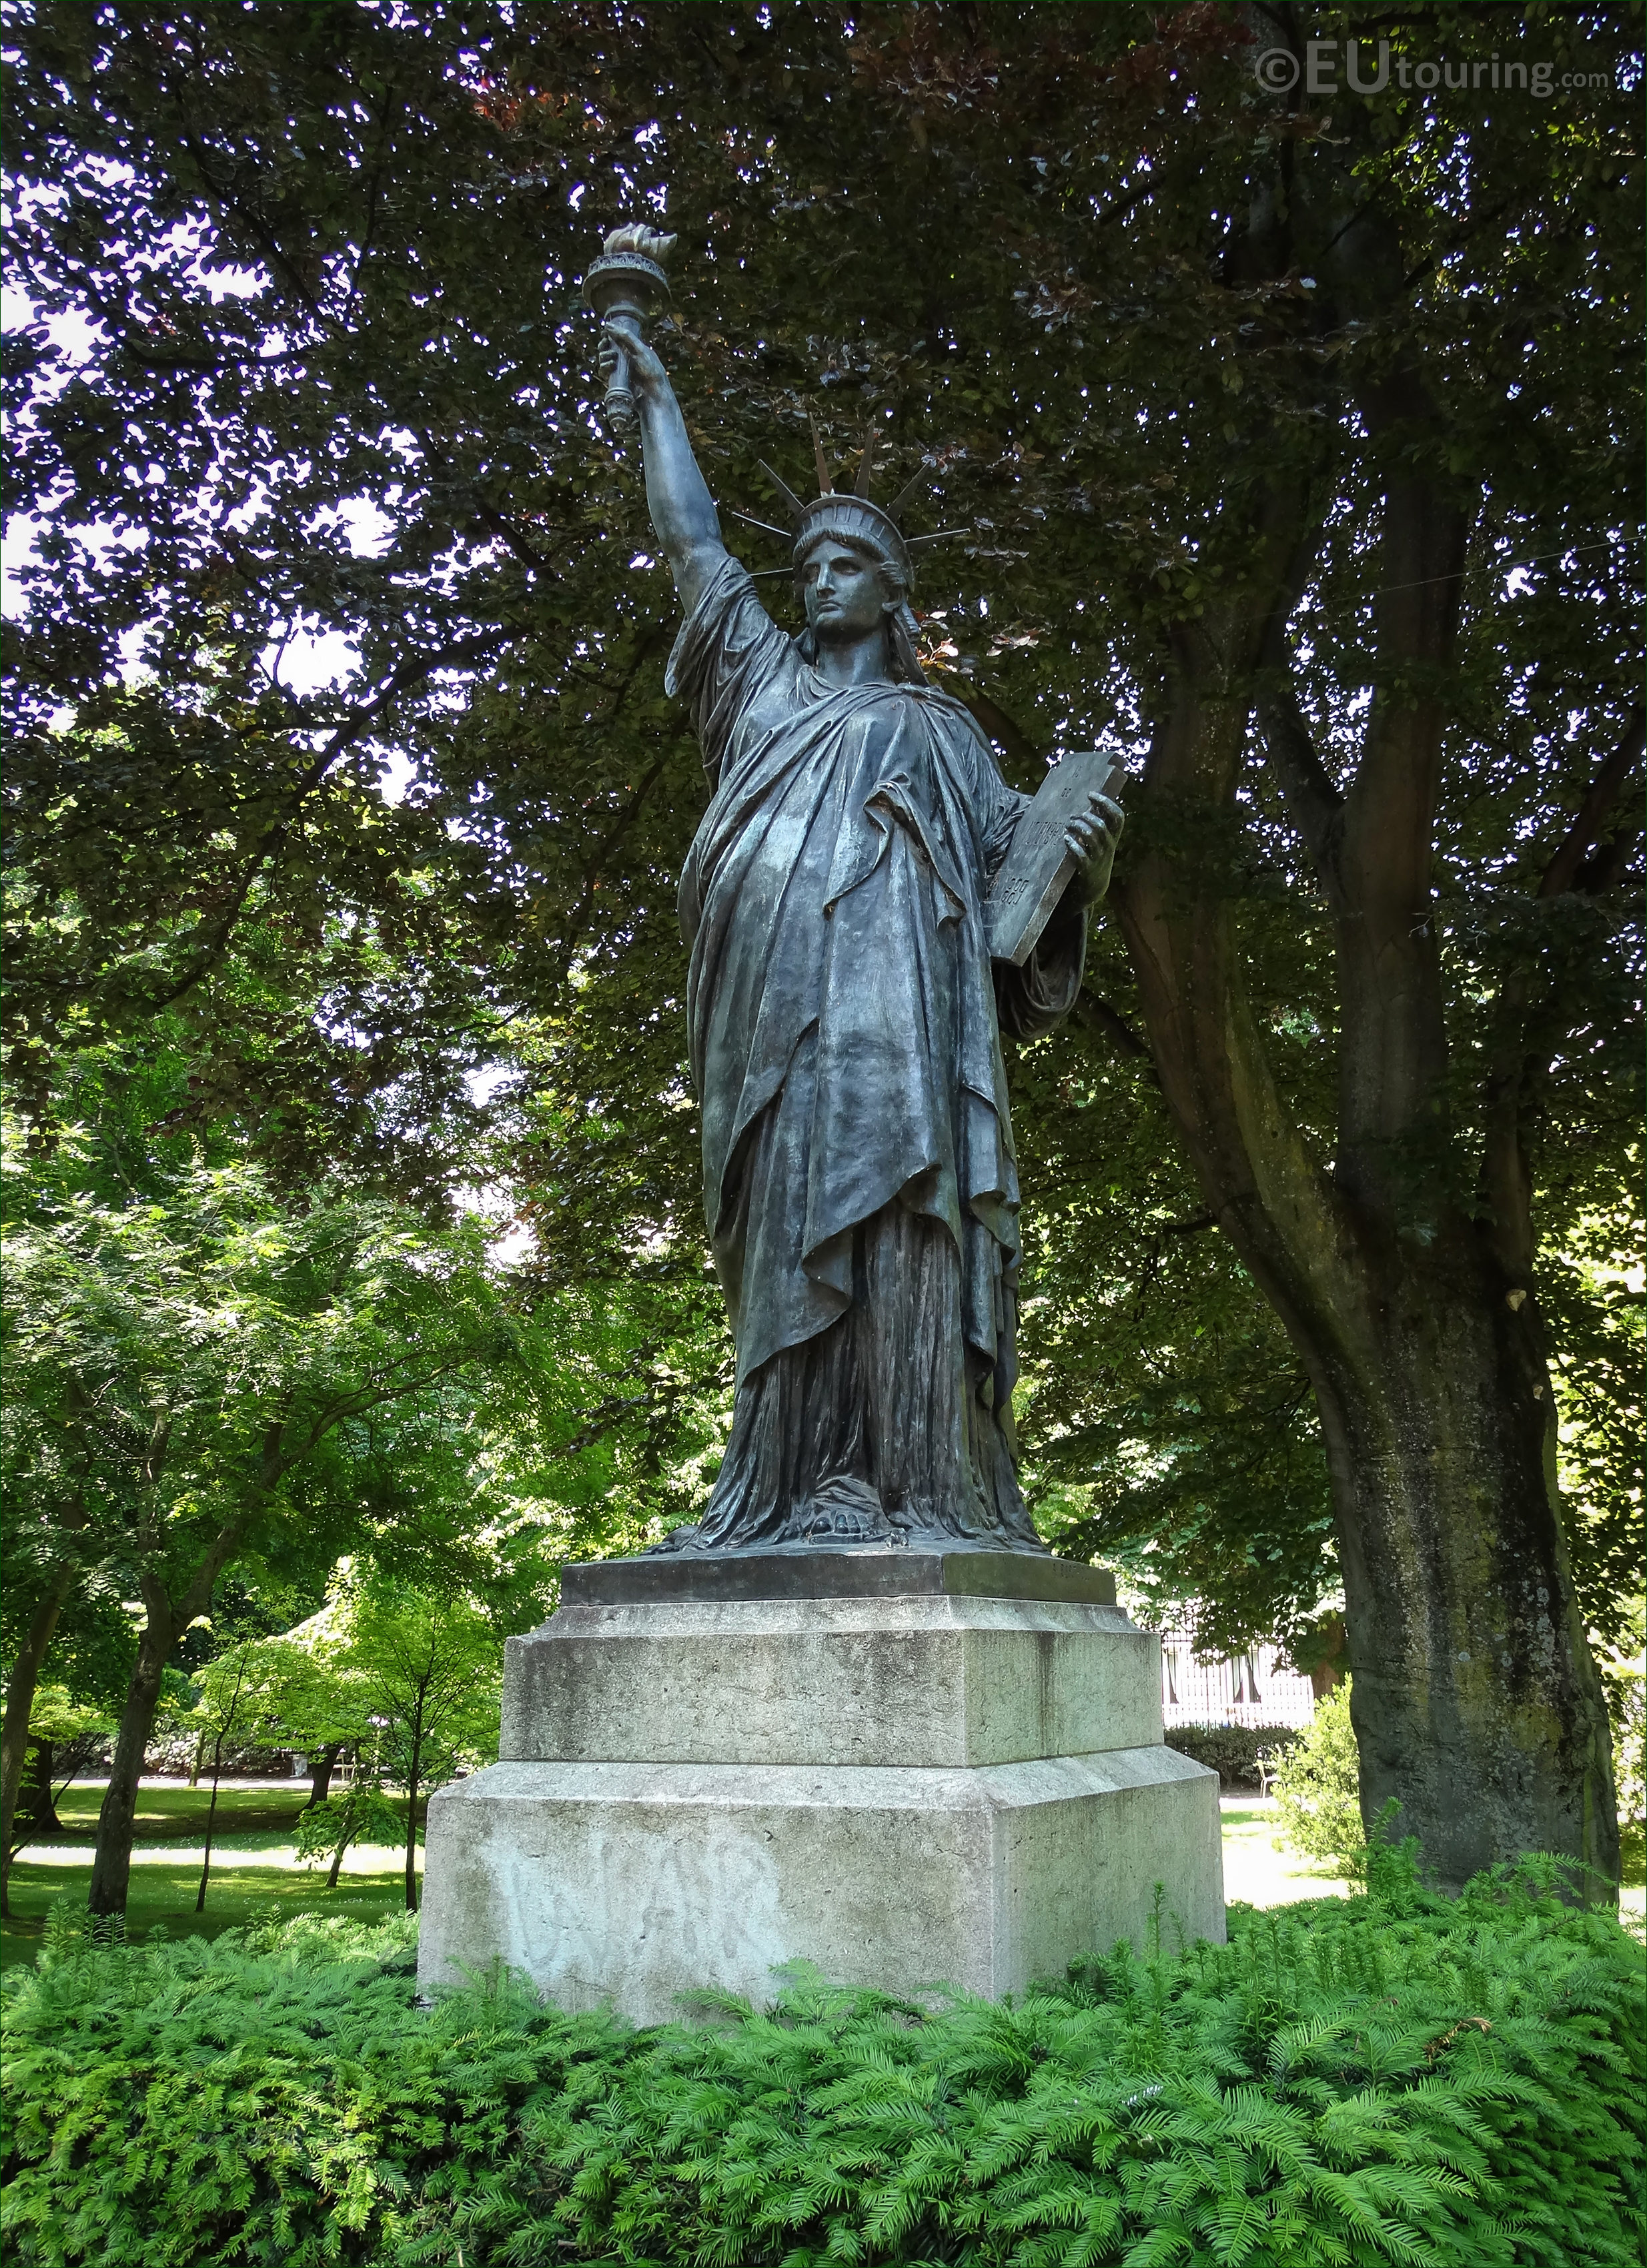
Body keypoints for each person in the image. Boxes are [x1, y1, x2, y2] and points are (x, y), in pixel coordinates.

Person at [602, 314, 1122, 1553]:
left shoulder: (944, 735)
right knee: (786, 1229)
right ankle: (781, 1487)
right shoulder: (758, 687)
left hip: (905, 1022)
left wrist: (1082, 867)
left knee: (909, 1221)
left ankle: (917, 1487)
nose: (818, 577)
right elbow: (694, 542)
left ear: (893, 591)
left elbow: (1019, 905)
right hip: (769, 1006)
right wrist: (658, 397)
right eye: (811, 562)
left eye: (845, 562)